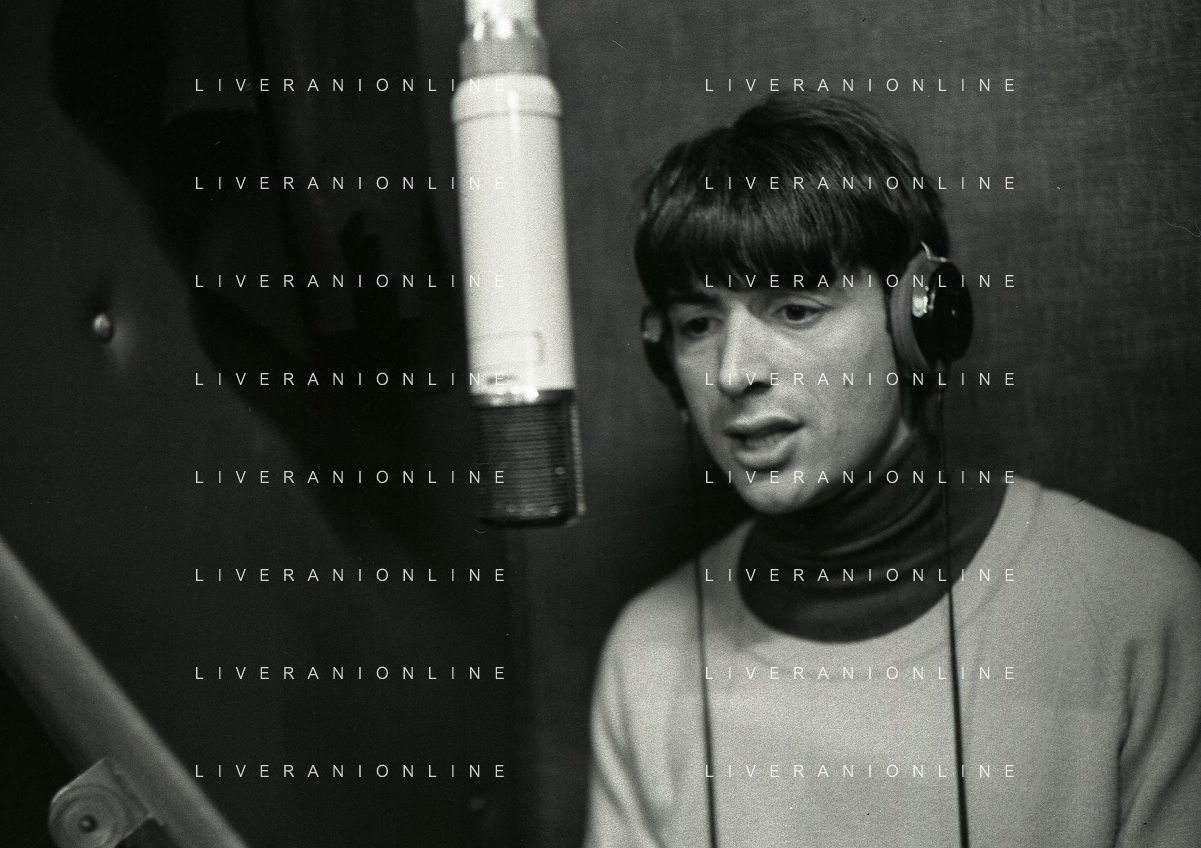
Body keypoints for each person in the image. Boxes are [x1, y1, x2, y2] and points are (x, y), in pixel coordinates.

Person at [583, 94, 1201, 848]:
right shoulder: (645, 656)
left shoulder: (1135, 607)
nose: (733, 372)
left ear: (918, 320)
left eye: (795, 309)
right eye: (697, 324)